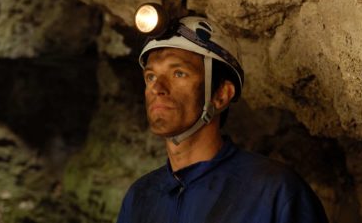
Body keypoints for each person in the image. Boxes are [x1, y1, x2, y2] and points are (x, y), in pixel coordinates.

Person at [117, 14, 329, 223]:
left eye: (179, 73)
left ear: (221, 95)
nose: (157, 88)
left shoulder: (275, 192)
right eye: (151, 76)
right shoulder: (140, 197)